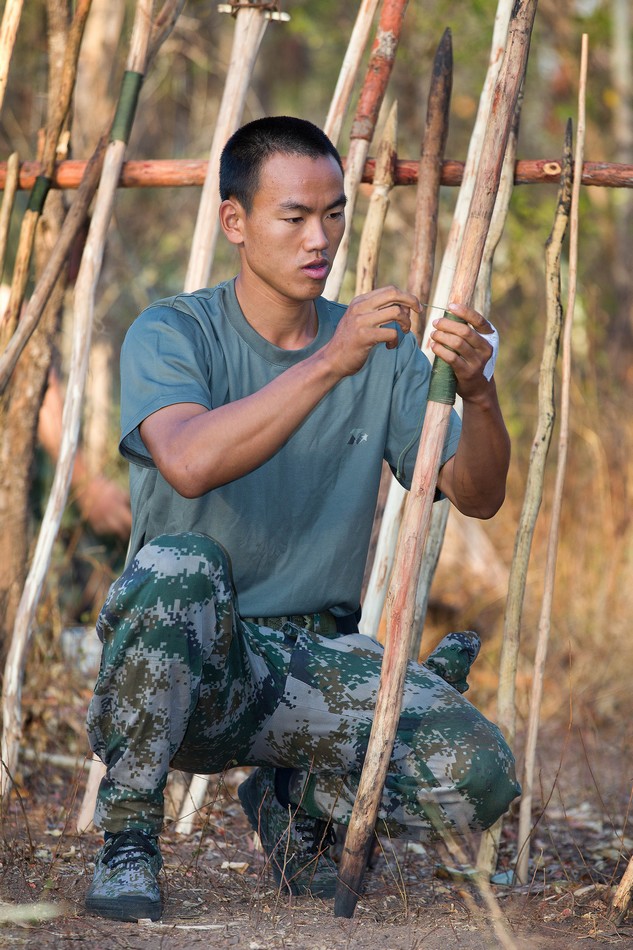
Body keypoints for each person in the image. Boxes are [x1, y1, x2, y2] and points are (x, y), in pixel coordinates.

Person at [84, 116, 520, 922]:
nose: (318, 239)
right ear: (236, 222)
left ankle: (298, 802)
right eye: (293, 217)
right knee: (180, 563)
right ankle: (129, 835)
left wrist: (480, 392)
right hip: (192, 668)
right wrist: (330, 362)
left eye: (333, 215)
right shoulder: (174, 332)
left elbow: (477, 492)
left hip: (311, 663)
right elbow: (186, 458)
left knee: (481, 775)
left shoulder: (379, 353)